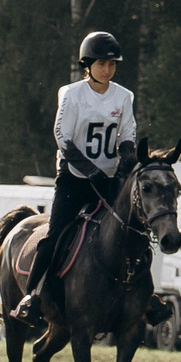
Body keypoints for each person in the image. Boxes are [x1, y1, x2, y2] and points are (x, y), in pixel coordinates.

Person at [8, 31, 138, 323]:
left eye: (112, 64)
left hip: (108, 179)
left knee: (131, 230)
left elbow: (128, 132)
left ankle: (144, 295)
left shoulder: (124, 96)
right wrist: (89, 169)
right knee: (55, 236)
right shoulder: (71, 94)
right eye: (102, 64)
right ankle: (33, 296)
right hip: (74, 178)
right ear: (87, 65)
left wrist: (128, 158)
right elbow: (62, 137)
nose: (108, 69)